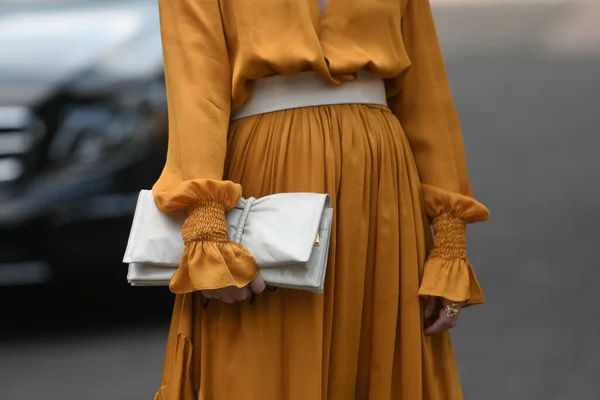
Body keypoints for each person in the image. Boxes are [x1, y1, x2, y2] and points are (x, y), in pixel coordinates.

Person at [151, 0, 490, 399]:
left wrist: (449, 234)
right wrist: (205, 221)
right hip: (268, 183)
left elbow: (424, 86)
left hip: (383, 192)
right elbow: (195, 82)